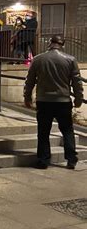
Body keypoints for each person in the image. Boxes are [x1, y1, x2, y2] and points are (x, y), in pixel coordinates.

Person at [24, 35, 84, 170]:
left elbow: (30, 80)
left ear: (50, 43)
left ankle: (43, 160)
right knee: (67, 130)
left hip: (44, 100)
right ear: (62, 44)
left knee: (43, 131)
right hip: (63, 100)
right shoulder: (70, 60)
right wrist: (78, 99)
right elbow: (77, 82)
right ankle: (71, 159)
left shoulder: (38, 59)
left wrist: (27, 97)